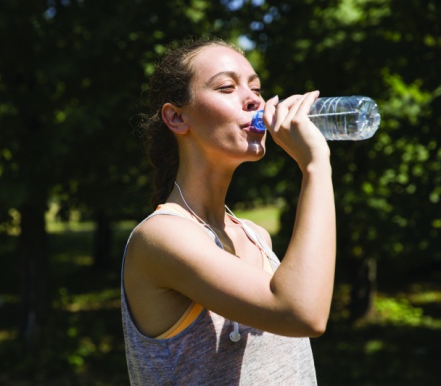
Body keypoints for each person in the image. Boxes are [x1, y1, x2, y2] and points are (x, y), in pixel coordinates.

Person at [121, 37, 336, 385]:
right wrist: (315, 165)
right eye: (226, 87)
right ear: (176, 117)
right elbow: (302, 312)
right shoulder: (161, 238)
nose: (254, 99)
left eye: (256, 87)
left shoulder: (256, 237)